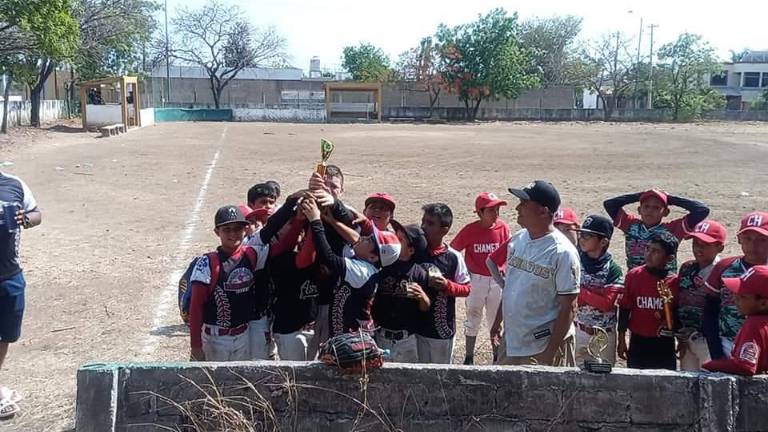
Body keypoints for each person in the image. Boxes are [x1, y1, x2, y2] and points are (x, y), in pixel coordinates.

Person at [488, 181, 580, 366]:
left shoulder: (562, 252)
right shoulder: (518, 239)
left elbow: (569, 307)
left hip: (543, 346)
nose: (517, 208)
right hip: (513, 340)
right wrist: (498, 321)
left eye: (524, 203)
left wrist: (550, 353)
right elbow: (512, 287)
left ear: (543, 211)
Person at [301, 196, 401, 337]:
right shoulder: (367, 262)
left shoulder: (362, 272)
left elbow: (328, 256)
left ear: (373, 257)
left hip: (351, 340)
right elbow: (355, 238)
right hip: (344, 336)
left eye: (370, 240)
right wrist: (332, 221)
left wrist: (315, 220)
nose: (364, 238)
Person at [449, 192, 510, 365]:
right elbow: (453, 251)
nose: (496, 214)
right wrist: (463, 273)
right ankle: (469, 356)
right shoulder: (470, 230)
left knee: (495, 319)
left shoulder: (503, 228)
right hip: (476, 280)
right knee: (473, 316)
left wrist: (504, 270)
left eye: (497, 209)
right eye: (491, 210)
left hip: (497, 280)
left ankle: (496, 356)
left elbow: (508, 252)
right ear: (479, 212)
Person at [0, 171, 41, 418]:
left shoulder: (14, 184)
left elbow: (36, 214)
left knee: (4, 336)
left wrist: (26, 219)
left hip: (10, 278)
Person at [703, 212, 768, 361]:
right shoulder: (725, 267)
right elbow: (710, 311)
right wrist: (716, 351)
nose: (753, 245)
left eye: (762, 240)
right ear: (739, 239)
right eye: (748, 238)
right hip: (726, 343)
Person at [416, 203, 471, 364]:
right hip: (415, 328)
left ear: (444, 229)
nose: (424, 227)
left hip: (441, 330)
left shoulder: (453, 257)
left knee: (441, 378)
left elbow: (467, 288)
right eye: (423, 221)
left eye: (430, 223)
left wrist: (447, 285)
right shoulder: (415, 252)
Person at [603, 189, 709, 271]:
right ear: (639, 210)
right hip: (635, 280)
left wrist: (670, 199)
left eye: (656, 208)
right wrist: (639, 196)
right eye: (646, 206)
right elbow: (609, 204)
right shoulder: (630, 225)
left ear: (666, 212)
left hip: (663, 282)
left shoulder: (673, 229)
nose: (650, 210)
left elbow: (702, 210)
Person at [618, 232, 680, 370]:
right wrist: (621, 339)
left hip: (663, 342)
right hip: (638, 340)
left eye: (656, 251)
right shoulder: (634, 276)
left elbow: (677, 312)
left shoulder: (674, 282)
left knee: (665, 383)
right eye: (647, 248)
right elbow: (624, 308)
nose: (649, 254)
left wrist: (678, 336)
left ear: (669, 258)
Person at [372, 221, 431, 362]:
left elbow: (425, 307)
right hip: (380, 336)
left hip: (406, 339)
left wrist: (422, 298)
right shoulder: (382, 266)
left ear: (411, 250)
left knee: (406, 379)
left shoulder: (419, 273)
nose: (394, 241)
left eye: (400, 240)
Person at [572, 215, 624, 366]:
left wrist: (578, 289)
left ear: (603, 241)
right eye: (581, 234)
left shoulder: (612, 269)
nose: (582, 239)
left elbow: (606, 304)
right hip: (579, 330)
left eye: (588, 236)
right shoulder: (575, 260)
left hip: (603, 336)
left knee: (603, 381)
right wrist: (592, 296)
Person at [676, 220, 726, 371]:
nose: (698, 248)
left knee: (709, 384)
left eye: (705, 244)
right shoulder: (686, 268)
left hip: (709, 340)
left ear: (720, 247)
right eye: (696, 242)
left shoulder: (724, 272)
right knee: (687, 383)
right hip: (686, 337)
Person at [703, 265, 768, 376]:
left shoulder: (754, 324)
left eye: (742, 296)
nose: (735, 299)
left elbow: (745, 366)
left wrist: (710, 365)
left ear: (763, 303)